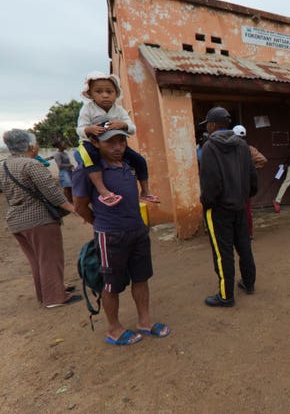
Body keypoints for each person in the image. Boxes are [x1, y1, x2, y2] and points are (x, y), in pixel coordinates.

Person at [72, 128, 170, 345]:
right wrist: (101, 224)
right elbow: (79, 206)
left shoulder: (128, 165)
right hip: (111, 237)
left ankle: (144, 322)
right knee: (111, 284)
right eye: (111, 143)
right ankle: (114, 329)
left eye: (122, 142)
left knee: (141, 277)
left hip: (138, 231)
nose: (118, 148)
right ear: (96, 143)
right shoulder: (87, 171)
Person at [0, 129, 80, 308]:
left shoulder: (4, 165)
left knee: (36, 260)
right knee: (50, 258)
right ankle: (55, 297)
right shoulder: (31, 165)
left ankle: (46, 294)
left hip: (16, 221)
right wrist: (74, 209)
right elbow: (52, 193)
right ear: (30, 146)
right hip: (39, 220)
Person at [199, 107, 258, 307]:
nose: (207, 127)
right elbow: (253, 177)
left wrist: (207, 203)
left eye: (207, 124)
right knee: (244, 247)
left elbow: (211, 183)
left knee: (222, 253)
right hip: (240, 207)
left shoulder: (209, 147)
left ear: (213, 125)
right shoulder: (242, 145)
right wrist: (243, 197)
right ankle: (248, 284)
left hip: (219, 209)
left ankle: (226, 296)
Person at [75, 71, 159, 206]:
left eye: (109, 91)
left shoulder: (119, 110)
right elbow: (79, 129)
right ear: (90, 94)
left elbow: (132, 129)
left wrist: (124, 124)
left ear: (116, 94)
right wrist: (89, 129)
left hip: (113, 143)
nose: (105, 95)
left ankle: (145, 191)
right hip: (90, 143)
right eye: (99, 91)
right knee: (90, 159)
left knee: (139, 160)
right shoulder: (87, 109)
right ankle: (103, 191)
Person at [233, 124, 267, 239]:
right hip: (246, 186)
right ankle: (249, 234)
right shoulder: (249, 148)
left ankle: (237, 234)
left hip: (233, 185)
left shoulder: (229, 149)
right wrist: (252, 169)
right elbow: (262, 160)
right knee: (246, 210)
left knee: (235, 210)